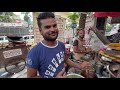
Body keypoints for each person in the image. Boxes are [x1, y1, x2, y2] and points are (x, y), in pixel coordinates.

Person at [26, 12, 91, 78]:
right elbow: (31, 77)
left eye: (54, 25)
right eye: (47, 27)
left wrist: (79, 66)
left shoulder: (61, 45)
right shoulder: (34, 52)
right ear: (40, 31)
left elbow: (65, 59)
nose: (53, 29)